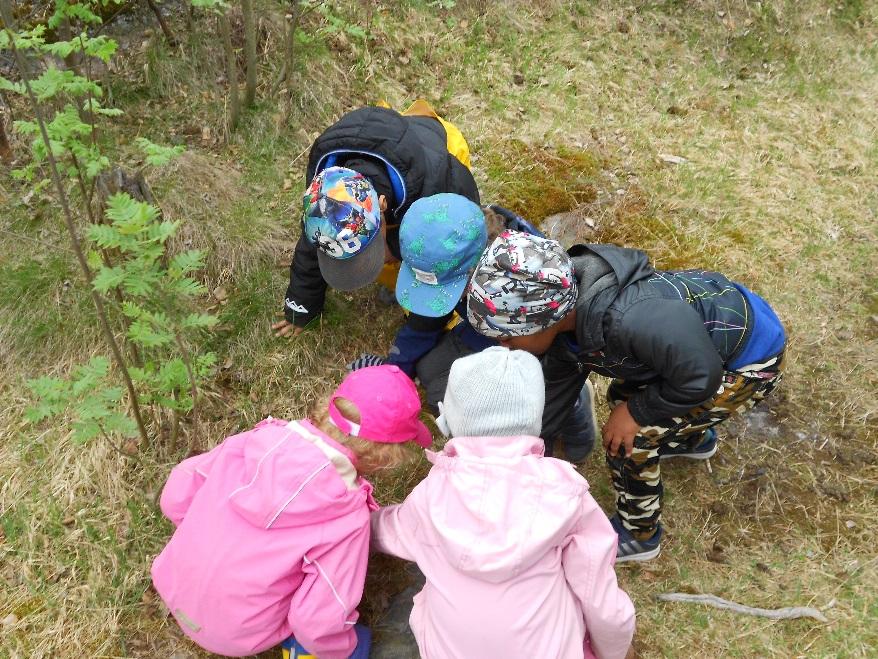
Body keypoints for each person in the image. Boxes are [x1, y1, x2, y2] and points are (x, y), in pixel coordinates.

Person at [467, 231, 786, 562]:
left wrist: (637, 412)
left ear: (543, 320)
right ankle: (693, 441)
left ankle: (639, 534)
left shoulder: (629, 319)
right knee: (623, 395)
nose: (503, 345)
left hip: (748, 362)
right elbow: (555, 395)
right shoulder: (566, 319)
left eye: (507, 337)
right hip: (695, 352)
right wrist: (526, 457)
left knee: (631, 442)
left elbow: (701, 376)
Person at [370, 346, 635, 659]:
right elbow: (599, 598)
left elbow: (386, 531)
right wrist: (614, 651)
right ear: (536, 415)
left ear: (450, 418)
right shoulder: (565, 493)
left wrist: (353, 512)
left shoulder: (431, 494)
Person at [150, 365, 431, 658]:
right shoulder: (346, 518)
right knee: (354, 644)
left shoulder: (252, 443)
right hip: (237, 635)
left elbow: (175, 496)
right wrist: (342, 647)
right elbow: (318, 621)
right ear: (386, 456)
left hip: (172, 581)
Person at [272, 102, 479, 339]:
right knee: (381, 254)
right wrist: (300, 309)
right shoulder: (325, 200)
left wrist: (395, 246)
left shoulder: (440, 185)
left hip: (442, 147)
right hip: (394, 147)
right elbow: (311, 251)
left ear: (381, 206)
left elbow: (463, 227)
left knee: (423, 250)